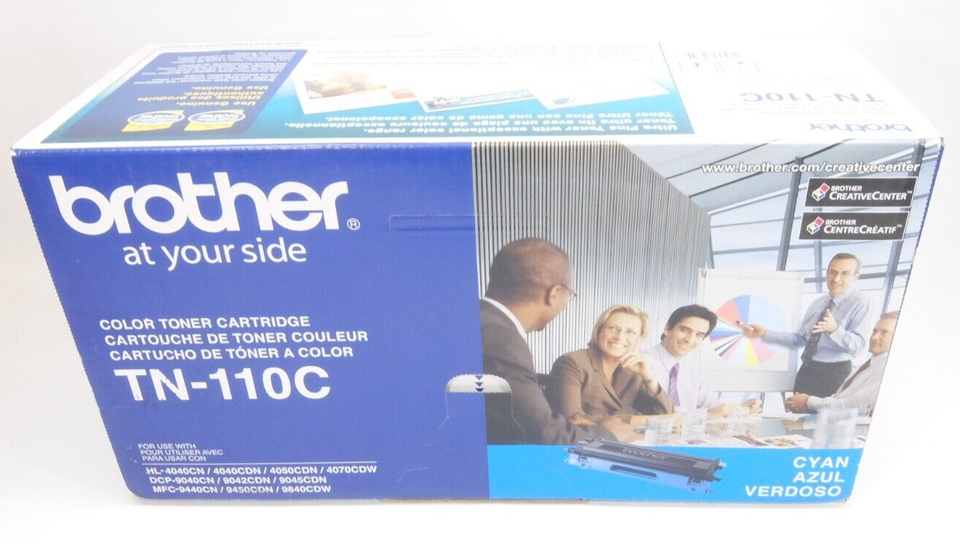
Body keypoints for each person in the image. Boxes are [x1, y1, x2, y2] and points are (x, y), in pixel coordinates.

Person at [480, 238, 615, 445]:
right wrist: (608, 434)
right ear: (555, 293)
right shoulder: (501, 338)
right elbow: (543, 433)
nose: (566, 305)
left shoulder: (479, 320)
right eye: (569, 295)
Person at [739, 253, 873, 397]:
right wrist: (764, 333)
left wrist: (834, 329)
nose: (836, 279)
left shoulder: (861, 303)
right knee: (796, 411)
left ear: (855, 276)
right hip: (808, 369)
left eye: (844, 273)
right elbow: (799, 339)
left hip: (836, 373)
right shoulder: (818, 303)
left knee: (825, 412)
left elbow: (860, 347)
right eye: (832, 272)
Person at [549, 305, 673, 427]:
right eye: (612, 328)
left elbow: (666, 415)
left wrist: (649, 377)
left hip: (617, 439)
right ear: (599, 331)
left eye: (630, 332)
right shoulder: (572, 362)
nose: (619, 337)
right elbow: (571, 418)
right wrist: (633, 420)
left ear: (638, 339)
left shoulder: (632, 370)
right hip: (578, 439)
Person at [647, 305, 760, 418]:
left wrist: (739, 409)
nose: (689, 339)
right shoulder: (643, 364)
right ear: (667, 329)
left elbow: (709, 403)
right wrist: (708, 414)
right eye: (684, 330)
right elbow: (653, 415)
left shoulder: (693, 369)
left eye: (698, 335)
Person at [785, 312, 898, 415]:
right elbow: (839, 398)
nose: (874, 337)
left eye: (884, 333)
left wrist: (808, 402)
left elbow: (853, 406)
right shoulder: (865, 366)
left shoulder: (887, 371)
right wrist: (806, 406)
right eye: (875, 331)